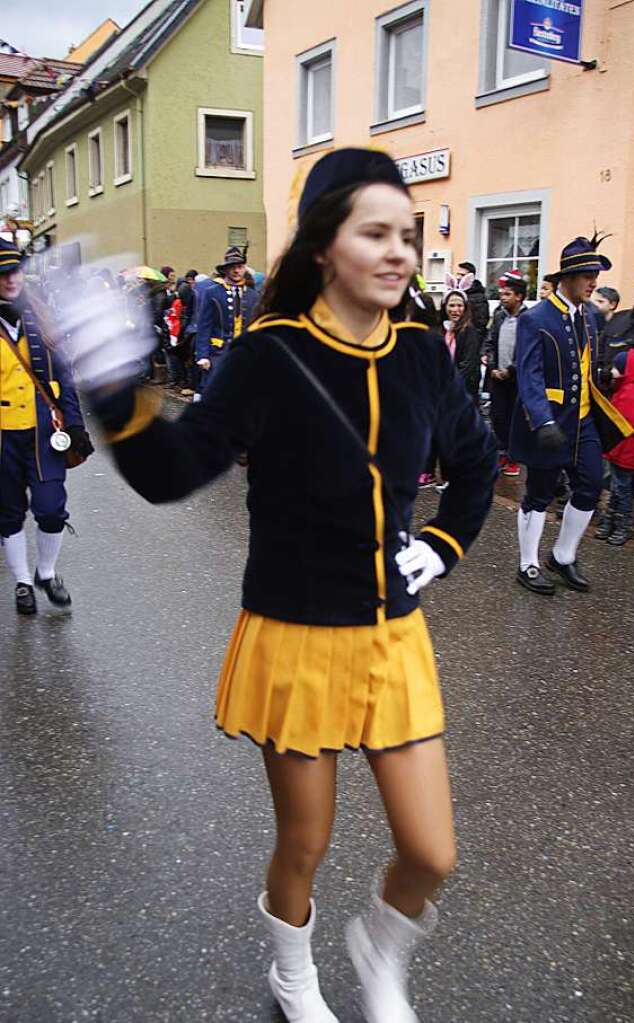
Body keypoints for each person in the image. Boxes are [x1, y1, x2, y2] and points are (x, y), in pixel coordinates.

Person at [58, 148, 497, 1022]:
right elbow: (173, 470)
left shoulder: (421, 351)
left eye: (407, 234)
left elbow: (476, 459)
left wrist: (443, 542)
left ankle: (378, 944)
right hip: (295, 631)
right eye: (375, 232)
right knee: (305, 841)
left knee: (432, 851)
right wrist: (110, 389)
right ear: (325, 244)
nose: (399, 251)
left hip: (391, 634)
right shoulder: (270, 352)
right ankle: (292, 973)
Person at [509, 235, 633, 596]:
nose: (594, 282)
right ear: (567, 277)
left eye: (595, 274)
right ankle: (528, 563)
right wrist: (542, 420)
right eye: (587, 274)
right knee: (539, 493)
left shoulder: (592, 316)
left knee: (591, 485)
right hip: (548, 422)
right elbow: (528, 374)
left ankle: (562, 556)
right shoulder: (536, 317)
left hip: (584, 421)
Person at [0, 239, 92, 614]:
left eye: (15, 271)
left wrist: (75, 424)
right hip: (3, 438)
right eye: (2, 274)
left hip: (43, 433)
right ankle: (23, 582)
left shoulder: (42, 317)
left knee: (51, 508)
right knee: (8, 512)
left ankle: (46, 572)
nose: (10, 280)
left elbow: (65, 380)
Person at [595, 348, 634, 545]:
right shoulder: (627, 390)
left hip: (625, 453)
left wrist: (609, 449)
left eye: (616, 368)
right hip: (625, 453)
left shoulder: (630, 394)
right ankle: (611, 520)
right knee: (618, 487)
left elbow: (620, 428)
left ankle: (622, 523)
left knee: (622, 489)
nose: (611, 371)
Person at [194, 247, 261, 393]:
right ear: (225, 270)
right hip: (218, 354)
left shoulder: (253, 296)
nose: (236, 271)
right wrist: (203, 355)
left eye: (240, 267)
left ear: (244, 269)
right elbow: (204, 326)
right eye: (232, 267)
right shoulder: (212, 293)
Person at [483, 269, 527, 477]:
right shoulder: (499, 315)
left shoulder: (528, 318)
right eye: (501, 293)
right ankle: (502, 451)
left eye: (507, 294)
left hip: (516, 379)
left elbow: (527, 351)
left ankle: (514, 457)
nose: (502, 297)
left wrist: (510, 370)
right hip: (497, 376)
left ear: (518, 296)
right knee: (497, 416)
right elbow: (490, 342)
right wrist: (492, 366)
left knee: (514, 418)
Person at [440, 285, 482, 398]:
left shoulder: (469, 331)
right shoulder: (441, 329)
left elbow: (468, 364)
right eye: (451, 305)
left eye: (459, 306)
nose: (455, 310)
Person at [456, 260, 490, 333]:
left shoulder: (479, 297)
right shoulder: (456, 293)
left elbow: (481, 322)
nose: (458, 277)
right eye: (457, 274)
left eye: (462, 275)